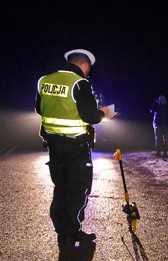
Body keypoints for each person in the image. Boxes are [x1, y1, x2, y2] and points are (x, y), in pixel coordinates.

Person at [35, 48, 116, 247]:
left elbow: (39, 108)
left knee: (61, 187)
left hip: (54, 145)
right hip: (76, 146)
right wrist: (104, 113)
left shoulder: (44, 80)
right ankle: (71, 232)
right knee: (78, 189)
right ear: (85, 65)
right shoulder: (80, 83)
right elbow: (90, 116)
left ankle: (62, 229)